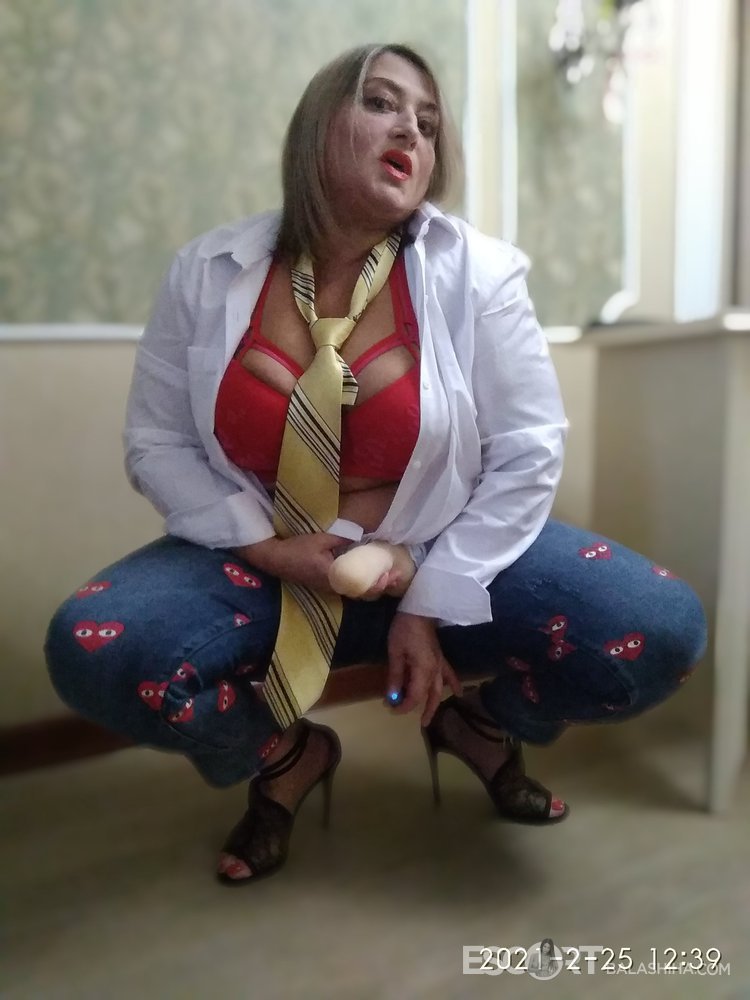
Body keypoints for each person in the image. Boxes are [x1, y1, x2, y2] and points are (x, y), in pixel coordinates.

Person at [45, 43, 707, 886]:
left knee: (658, 628)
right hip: (269, 559)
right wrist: (263, 546)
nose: (411, 131)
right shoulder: (206, 272)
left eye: (428, 123)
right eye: (383, 103)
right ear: (319, 126)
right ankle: (284, 756)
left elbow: (527, 450)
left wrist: (429, 600)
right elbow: (158, 440)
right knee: (93, 650)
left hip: (439, 553)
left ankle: (480, 725)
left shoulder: (480, 273)